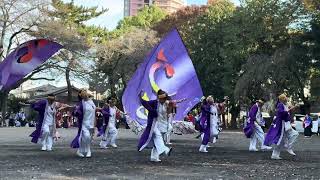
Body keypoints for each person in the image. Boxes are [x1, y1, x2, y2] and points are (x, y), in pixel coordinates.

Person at [137, 90, 173, 162]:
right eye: (161, 99)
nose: (163, 100)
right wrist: (140, 97)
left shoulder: (166, 104)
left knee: (158, 140)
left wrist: (170, 107)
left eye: (164, 98)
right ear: (158, 98)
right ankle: (166, 150)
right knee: (158, 136)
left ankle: (154, 157)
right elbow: (145, 103)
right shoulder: (154, 102)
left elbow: (168, 112)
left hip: (162, 124)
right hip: (153, 123)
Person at [264, 94, 299, 160]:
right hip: (282, 124)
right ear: (283, 99)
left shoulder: (284, 105)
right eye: (285, 98)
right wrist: (290, 109)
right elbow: (281, 113)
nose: (286, 99)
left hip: (285, 124)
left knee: (284, 139)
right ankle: (286, 148)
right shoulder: (280, 105)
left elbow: (286, 113)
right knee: (281, 139)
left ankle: (285, 148)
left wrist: (291, 109)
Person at [71, 89, 98, 158]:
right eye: (83, 93)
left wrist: (95, 123)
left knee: (87, 138)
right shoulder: (80, 104)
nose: (85, 94)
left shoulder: (91, 102)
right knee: (86, 137)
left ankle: (80, 151)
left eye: (85, 92)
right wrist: (75, 112)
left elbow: (94, 111)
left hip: (91, 123)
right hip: (84, 123)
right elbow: (75, 112)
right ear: (81, 95)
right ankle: (88, 150)